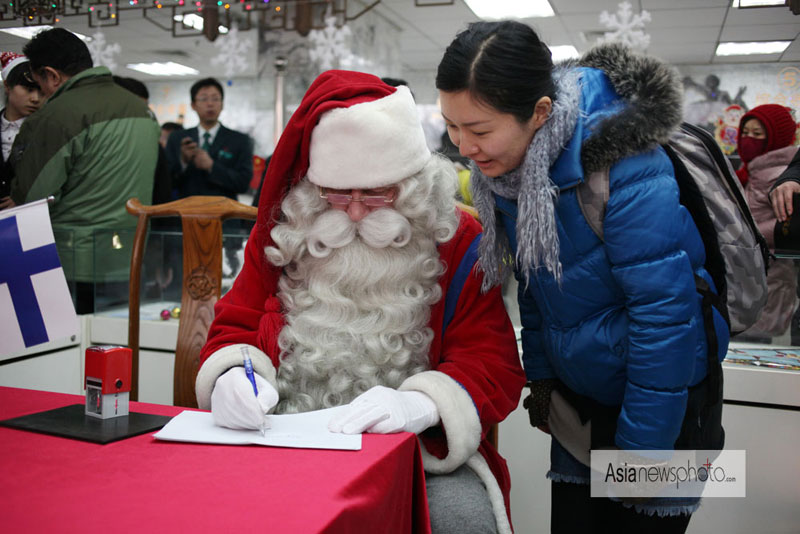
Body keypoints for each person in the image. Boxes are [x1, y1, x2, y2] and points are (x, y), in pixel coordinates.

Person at [196, 70, 526, 534]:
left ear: (411, 186)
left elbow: (491, 361)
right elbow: (236, 325)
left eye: (375, 193)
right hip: (282, 437)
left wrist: (424, 405)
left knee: (463, 522)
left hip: (416, 453)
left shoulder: (459, 241)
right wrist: (233, 375)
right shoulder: (286, 234)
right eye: (336, 194)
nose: (353, 212)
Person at [436, 21, 729, 533]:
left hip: (669, 406)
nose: (464, 147)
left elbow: (665, 316)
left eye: (479, 130)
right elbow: (538, 286)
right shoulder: (512, 172)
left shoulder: (626, 164)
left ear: (540, 113)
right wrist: (544, 379)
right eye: (452, 127)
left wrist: (641, 459)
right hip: (585, 403)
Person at [6, 28, 160, 314]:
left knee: (68, 353)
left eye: (39, 83)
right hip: (131, 255)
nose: (41, 95)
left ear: (51, 75)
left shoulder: (56, 116)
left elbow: (31, 196)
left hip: (70, 263)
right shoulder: (142, 111)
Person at [164, 77, 253, 274]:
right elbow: (167, 181)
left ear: (222, 104)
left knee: (226, 278)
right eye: (204, 99)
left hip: (226, 223)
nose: (210, 104)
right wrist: (184, 162)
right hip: (186, 220)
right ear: (193, 105)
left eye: (215, 98)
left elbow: (243, 182)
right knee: (187, 275)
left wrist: (212, 167)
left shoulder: (239, 140)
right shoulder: (178, 139)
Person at [735, 104, 799, 339]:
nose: (748, 139)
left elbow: (786, 226)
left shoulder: (780, 175)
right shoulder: (752, 170)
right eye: (745, 132)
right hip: (751, 274)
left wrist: (740, 234)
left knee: (756, 343)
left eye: (757, 134)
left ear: (775, 138)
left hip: (770, 277)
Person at [0, 52, 41, 210]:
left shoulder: (45, 130)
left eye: (40, 91)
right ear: (7, 86)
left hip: (30, 217)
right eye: (28, 89)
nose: (35, 98)